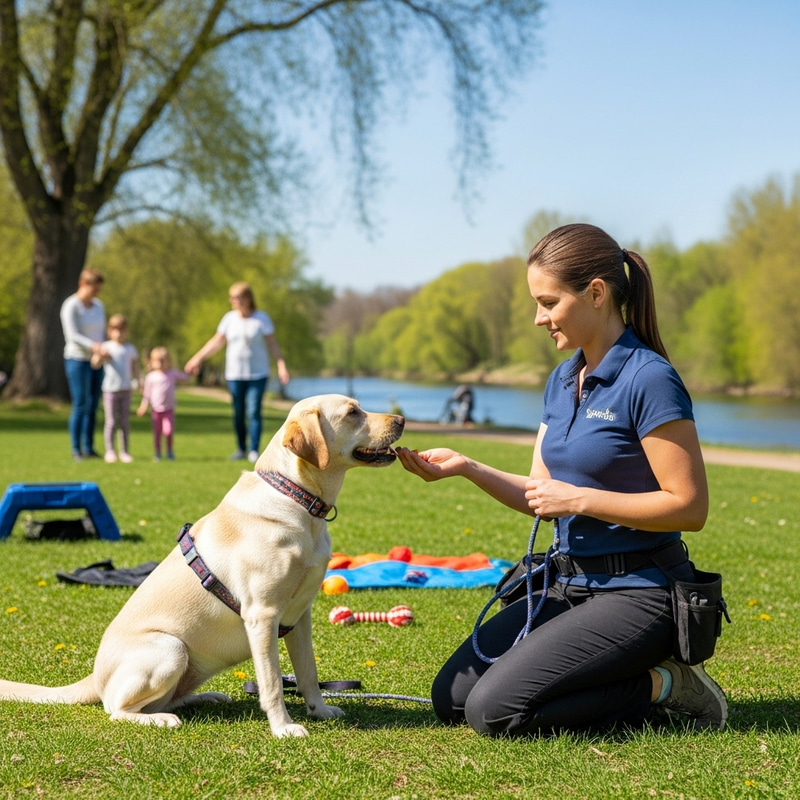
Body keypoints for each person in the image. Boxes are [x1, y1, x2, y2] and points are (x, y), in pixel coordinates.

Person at [396, 223, 727, 735]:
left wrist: (580, 499)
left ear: (596, 293)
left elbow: (689, 507)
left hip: (641, 592)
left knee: (494, 712)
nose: (538, 318)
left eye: (548, 302)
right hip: (567, 583)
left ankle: (667, 684)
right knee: (452, 698)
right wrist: (467, 467)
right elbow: (540, 495)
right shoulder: (561, 379)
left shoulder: (650, 379)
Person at [184, 282, 290, 463]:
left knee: (254, 411)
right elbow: (216, 342)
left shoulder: (261, 318)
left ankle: (254, 450)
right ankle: (241, 448)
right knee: (238, 412)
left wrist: (281, 365)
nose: (233, 300)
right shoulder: (229, 319)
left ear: (248, 298)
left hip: (258, 374)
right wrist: (197, 358)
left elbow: (272, 344)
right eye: (231, 297)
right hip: (234, 374)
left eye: (237, 297)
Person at [60, 268, 108, 461]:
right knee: (81, 404)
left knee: (93, 404)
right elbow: (73, 336)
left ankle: (89, 447)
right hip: (77, 359)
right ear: (83, 284)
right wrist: (94, 347)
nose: (96, 293)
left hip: (96, 360)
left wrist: (103, 350)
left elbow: (101, 333)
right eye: (93, 289)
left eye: (98, 289)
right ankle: (76, 448)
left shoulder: (98, 306)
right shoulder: (71, 305)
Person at [92, 314, 140, 463]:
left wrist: (139, 381)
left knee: (124, 422)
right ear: (110, 331)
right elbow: (95, 364)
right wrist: (100, 354)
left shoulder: (130, 349)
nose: (119, 333)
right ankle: (110, 450)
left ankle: (124, 451)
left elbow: (135, 367)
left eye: (122, 329)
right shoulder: (106, 346)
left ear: (127, 331)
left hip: (126, 389)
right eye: (115, 329)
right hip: (110, 390)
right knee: (111, 422)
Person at [137, 347, 188, 461]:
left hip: (168, 409)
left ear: (168, 361)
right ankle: (158, 453)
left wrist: (192, 371)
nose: (160, 363)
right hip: (156, 410)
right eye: (157, 361)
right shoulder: (151, 377)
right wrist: (143, 406)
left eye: (163, 361)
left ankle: (169, 451)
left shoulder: (172, 373)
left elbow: (185, 377)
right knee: (157, 433)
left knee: (168, 431)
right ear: (151, 362)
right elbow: (147, 394)